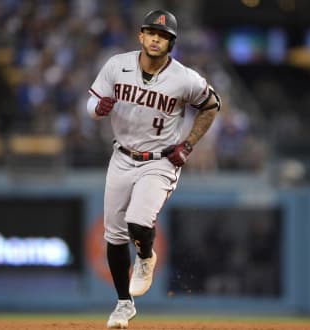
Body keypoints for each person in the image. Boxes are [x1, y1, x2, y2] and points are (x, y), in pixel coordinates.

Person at [86, 9, 221, 329]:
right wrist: (97, 110)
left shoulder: (185, 78)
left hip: (159, 159)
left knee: (137, 220)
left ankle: (145, 257)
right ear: (141, 36)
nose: (156, 39)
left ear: (171, 43)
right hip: (121, 156)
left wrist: (188, 145)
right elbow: (91, 103)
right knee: (114, 235)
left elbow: (211, 104)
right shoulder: (116, 65)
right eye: (152, 33)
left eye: (163, 36)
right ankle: (123, 304)